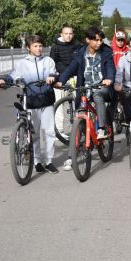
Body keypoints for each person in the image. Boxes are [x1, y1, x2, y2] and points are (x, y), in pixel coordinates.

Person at [0, 35, 58, 173]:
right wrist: (1, 80)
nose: (39, 48)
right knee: (34, 134)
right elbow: (12, 76)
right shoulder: (22, 64)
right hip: (31, 101)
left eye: (40, 45)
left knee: (49, 132)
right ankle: (37, 162)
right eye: (35, 46)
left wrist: (53, 77)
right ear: (29, 48)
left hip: (47, 100)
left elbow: (54, 73)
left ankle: (49, 161)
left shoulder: (48, 61)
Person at [56, 27, 115, 140]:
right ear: (88, 40)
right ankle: (77, 146)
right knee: (79, 112)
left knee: (97, 95)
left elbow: (110, 67)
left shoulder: (106, 52)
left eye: (100, 40)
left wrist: (109, 78)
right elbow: (71, 68)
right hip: (85, 87)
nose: (99, 43)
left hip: (102, 87)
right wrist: (60, 81)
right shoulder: (81, 52)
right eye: (96, 40)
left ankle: (101, 128)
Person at [49, 23, 81, 171]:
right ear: (61, 34)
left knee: (77, 104)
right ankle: (61, 130)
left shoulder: (78, 46)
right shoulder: (55, 47)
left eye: (70, 33)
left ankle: (77, 127)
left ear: (73, 35)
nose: (68, 36)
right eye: (66, 33)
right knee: (60, 104)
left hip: (75, 77)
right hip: (61, 78)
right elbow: (52, 63)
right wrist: (59, 77)